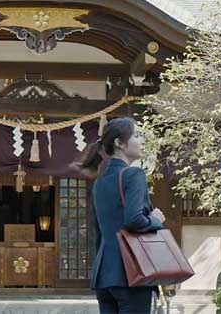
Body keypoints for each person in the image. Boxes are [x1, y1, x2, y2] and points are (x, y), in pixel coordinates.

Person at [82, 117, 166, 314]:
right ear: (120, 143)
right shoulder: (133, 174)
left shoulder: (100, 182)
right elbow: (134, 220)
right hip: (131, 272)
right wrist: (156, 220)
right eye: (136, 136)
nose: (141, 141)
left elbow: (99, 233)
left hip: (104, 274)